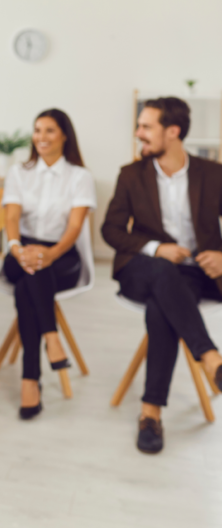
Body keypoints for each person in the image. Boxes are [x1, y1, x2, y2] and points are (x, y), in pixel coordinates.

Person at [102, 96, 222, 454]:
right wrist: (156, 248)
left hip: (193, 274)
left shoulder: (212, 173)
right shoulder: (131, 174)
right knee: (160, 270)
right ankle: (210, 357)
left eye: (146, 127)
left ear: (172, 132)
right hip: (142, 268)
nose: (138, 133)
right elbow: (110, 230)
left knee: (162, 308)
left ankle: (150, 413)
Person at [1, 109, 96, 420]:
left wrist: (51, 254)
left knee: (28, 285)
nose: (41, 137)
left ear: (64, 135)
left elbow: (74, 227)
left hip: (62, 254)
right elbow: (11, 217)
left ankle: (31, 381)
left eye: (49, 131)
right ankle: (51, 338)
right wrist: (17, 248)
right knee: (30, 270)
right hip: (21, 251)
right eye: (37, 130)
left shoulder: (80, 177)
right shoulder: (19, 172)